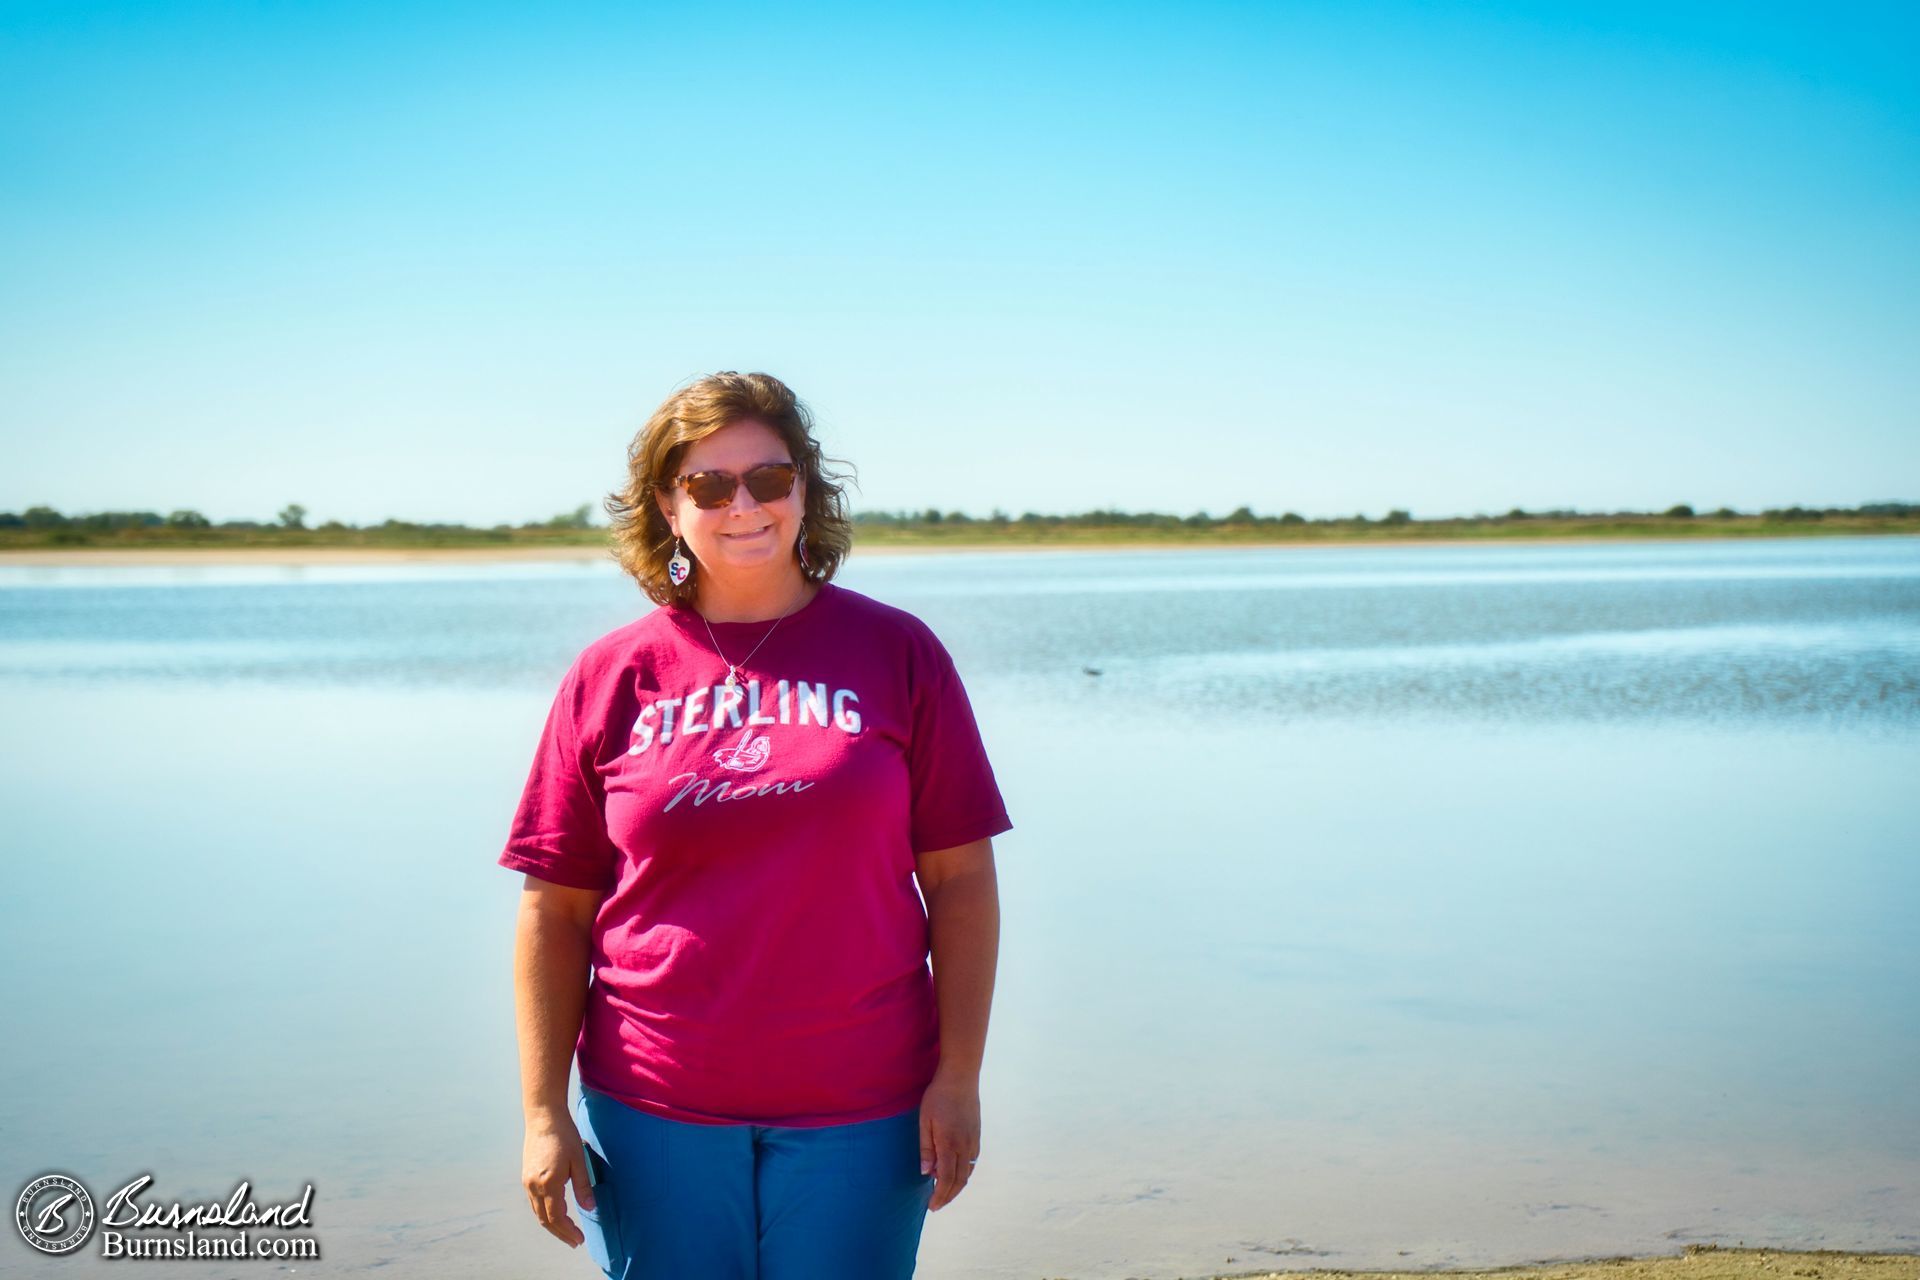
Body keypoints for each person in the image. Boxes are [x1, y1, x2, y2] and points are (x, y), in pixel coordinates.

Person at [499, 370, 1011, 1280]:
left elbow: (962, 881)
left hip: (867, 1101)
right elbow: (555, 909)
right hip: (653, 1100)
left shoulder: (899, 654)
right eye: (708, 484)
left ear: (805, 492)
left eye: (770, 479)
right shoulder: (612, 674)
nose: (744, 505)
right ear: (666, 504)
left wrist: (959, 1077)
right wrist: (544, 1114)